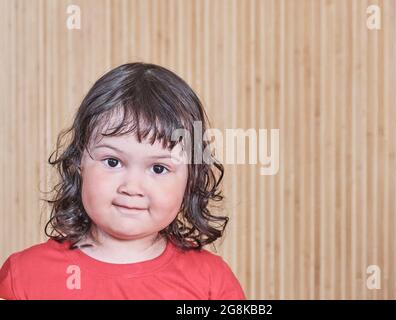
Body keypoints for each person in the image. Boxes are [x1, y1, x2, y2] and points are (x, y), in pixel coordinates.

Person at [0, 62, 246, 300]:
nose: (131, 187)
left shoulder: (212, 282)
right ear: (78, 161)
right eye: (113, 162)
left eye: (159, 168)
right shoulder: (25, 275)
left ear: (191, 179)